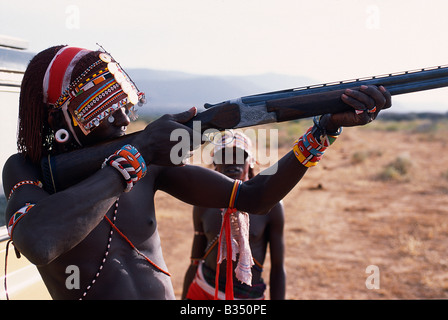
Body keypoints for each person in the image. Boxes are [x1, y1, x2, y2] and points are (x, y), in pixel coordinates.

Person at [2, 45, 391, 300]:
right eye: (105, 106)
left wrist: (322, 132)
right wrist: (132, 159)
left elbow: (254, 198)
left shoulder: (147, 159)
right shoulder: (28, 170)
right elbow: (38, 241)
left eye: (123, 102)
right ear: (62, 117)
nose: (124, 116)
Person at [182, 131, 286, 300]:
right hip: (204, 290)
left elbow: (278, 268)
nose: (232, 162)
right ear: (215, 162)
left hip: (248, 296)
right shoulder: (203, 203)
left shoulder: (270, 206)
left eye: (239, 156)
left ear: (251, 162)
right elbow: (195, 260)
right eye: (225, 156)